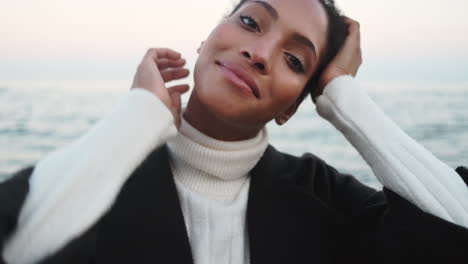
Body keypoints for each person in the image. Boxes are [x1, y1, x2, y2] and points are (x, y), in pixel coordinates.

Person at [1, 0, 468, 263]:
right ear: (206, 41)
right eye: (250, 22)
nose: (260, 52)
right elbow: (16, 242)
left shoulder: (322, 198)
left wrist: (345, 99)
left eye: (295, 60)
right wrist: (139, 114)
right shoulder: (97, 180)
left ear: (292, 106)